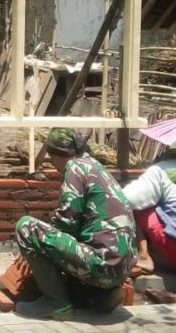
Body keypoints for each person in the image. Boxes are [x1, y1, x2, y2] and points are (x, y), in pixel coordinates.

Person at [14, 128, 136, 320]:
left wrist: (38, 247)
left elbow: (67, 221)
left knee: (26, 227)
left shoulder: (75, 168)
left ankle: (56, 303)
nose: (53, 165)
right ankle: (98, 295)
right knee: (69, 240)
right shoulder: (95, 166)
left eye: (52, 158)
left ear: (59, 154)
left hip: (102, 265)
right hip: (121, 268)